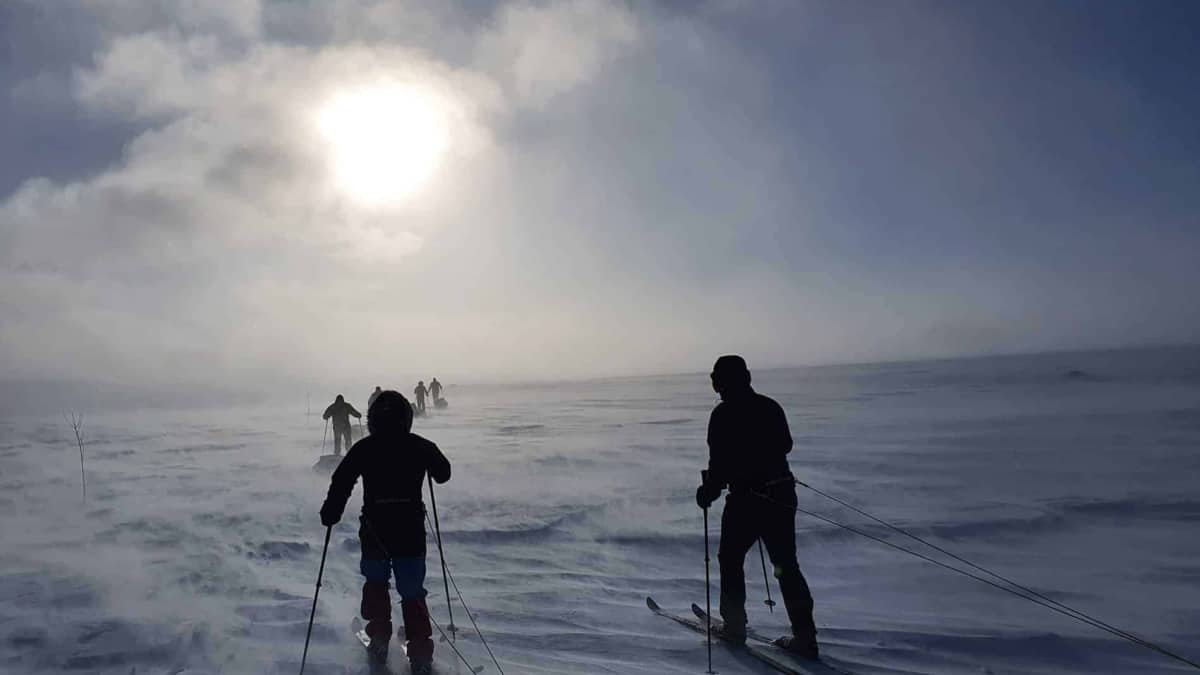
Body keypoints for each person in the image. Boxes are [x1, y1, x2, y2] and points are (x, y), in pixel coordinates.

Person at [695, 355, 819, 659]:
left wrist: (707, 492)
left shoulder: (723, 416)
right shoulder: (770, 406)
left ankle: (734, 626)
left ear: (721, 382)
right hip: (780, 495)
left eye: (717, 380)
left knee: (731, 558)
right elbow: (786, 445)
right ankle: (805, 637)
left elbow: (719, 465)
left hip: (746, 502)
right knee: (786, 567)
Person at [320, 391, 451, 674]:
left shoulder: (366, 448)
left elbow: (342, 479)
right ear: (407, 417)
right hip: (410, 534)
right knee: (412, 592)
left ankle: (379, 639)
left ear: (374, 419)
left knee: (376, 585)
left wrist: (331, 512)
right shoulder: (420, 446)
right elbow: (443, 473)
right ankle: (419, 651)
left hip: (375, 533)